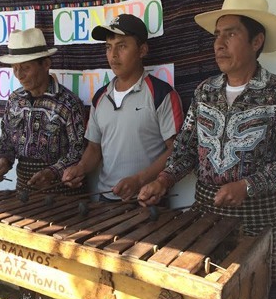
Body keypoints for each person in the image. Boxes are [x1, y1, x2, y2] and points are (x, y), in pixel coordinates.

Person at [138, 0, 276, 283]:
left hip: (262, 218)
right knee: (206, 297)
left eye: (231, 34)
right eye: (217, 35)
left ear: (256, 41)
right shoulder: (205, 92)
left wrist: (247, 186)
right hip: (206, 215)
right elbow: (185, 149)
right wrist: (162, 181)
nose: (219, 44)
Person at [62, 14, 184, 202]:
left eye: (122, 46)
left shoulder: (162, 94)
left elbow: (176, 149)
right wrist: (81, 168)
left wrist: (139, 180)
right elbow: (94, 149)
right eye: (108, 47)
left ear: (142, 50)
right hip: (105, 199)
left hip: (148, 201)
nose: (113, 55)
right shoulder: (100, 97)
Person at [0, 27, 86, 196]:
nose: (19, 75)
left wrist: (52, 172)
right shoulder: (14, 100)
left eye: (26, 67)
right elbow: (5, 141)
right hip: (23, 192)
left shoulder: (68, 104)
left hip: (60, 194)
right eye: (15, 68)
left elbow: (78, 151)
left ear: (46, 64)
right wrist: (2, 161)